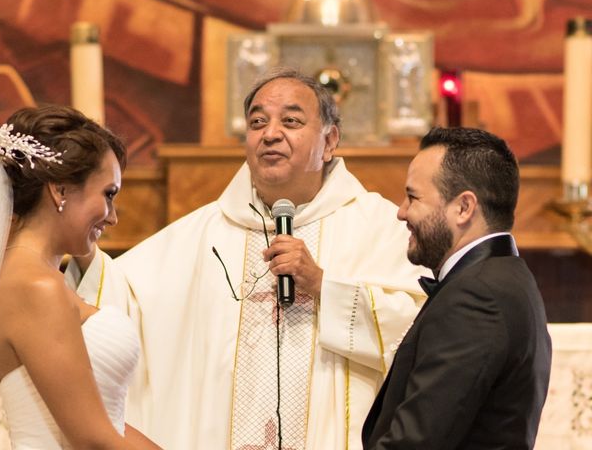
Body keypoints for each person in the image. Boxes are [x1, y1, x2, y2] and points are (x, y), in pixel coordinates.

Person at [68, 67, 427, 450]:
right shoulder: (203, 232)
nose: (270, 133)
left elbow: (421, 330)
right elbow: (122, 298)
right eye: (257, 122)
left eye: (291, 121)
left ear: (329, 141)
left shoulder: (378, 227)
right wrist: (73, 244)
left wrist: (326, 288)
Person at [0, 105, 160, 449]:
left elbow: (105, 424)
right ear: (60, 191)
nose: (113, 218)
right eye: (108, 195)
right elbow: (94, 439)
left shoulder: (27, 276)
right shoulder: (36, 287)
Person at [362, 127, 552, 449]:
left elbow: (417, 442)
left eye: (413, 197)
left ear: (463, 208)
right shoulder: (506, 276)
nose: (401, 211)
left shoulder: (477, 297)